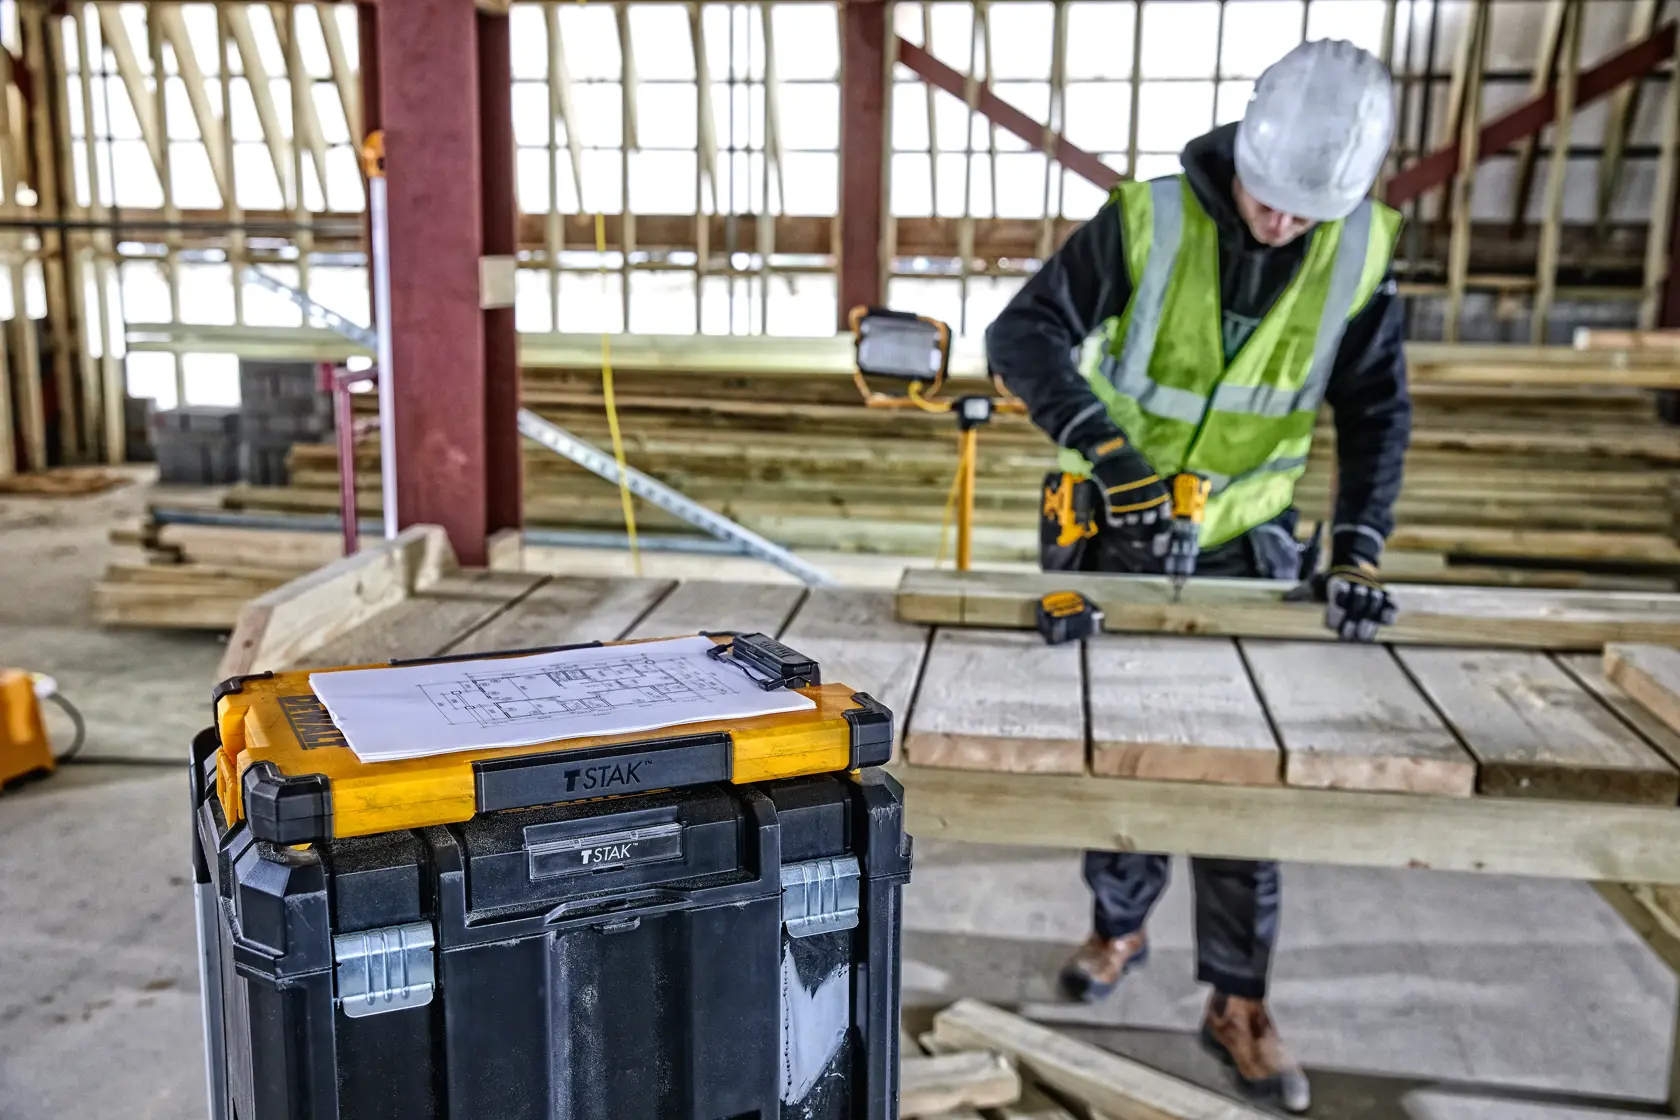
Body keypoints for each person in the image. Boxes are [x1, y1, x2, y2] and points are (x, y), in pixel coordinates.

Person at [985, 39, 1410, 1115]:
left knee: (1246, 783)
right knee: (1116, 760)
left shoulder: (1357, 248)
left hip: (1253, 544)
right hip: (1118, 533)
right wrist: (1117, 463)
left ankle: (1236, 997)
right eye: (1269, 201)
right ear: (1242, 152)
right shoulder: (1150, 220)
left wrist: (1358, 546)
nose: (1282, 226)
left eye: (1306, 212)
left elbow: (1374, 410)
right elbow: (1022, 332)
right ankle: (1118, 924)